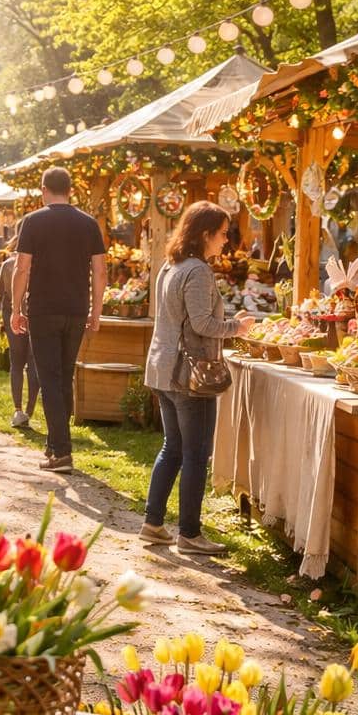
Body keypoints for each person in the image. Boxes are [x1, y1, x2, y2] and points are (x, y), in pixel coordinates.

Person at [140, 202, 257, 554]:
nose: (226, 240)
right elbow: (202, 323)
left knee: (172, 448)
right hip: (190, 374)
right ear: (205, 234)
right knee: (194, 454)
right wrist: (239, 326)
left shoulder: (169, 266)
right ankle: (189, 533)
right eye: (223, 233)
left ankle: (153, 522)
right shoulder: (198, 270)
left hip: (164, 369)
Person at [10, 167, 105, 474]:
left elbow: (22, 268)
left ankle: (62, 452)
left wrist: (15, 307)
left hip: (43, 308)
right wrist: (96, 310)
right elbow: (100, 271)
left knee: (49, 378)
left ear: (44, 189)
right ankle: (55, 446)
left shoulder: (33, 221)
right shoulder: (88, 224)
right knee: (63, 377)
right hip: (76, 308)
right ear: (69, 189)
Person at [0, 233, 39, 428]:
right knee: (32, 362)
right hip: (35, 314)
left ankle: (18, 410)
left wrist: (1, 318)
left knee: (17, 362)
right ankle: (28, 411)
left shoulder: (7, 265)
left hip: (12, 314)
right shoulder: (38, 264)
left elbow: (1, 295)